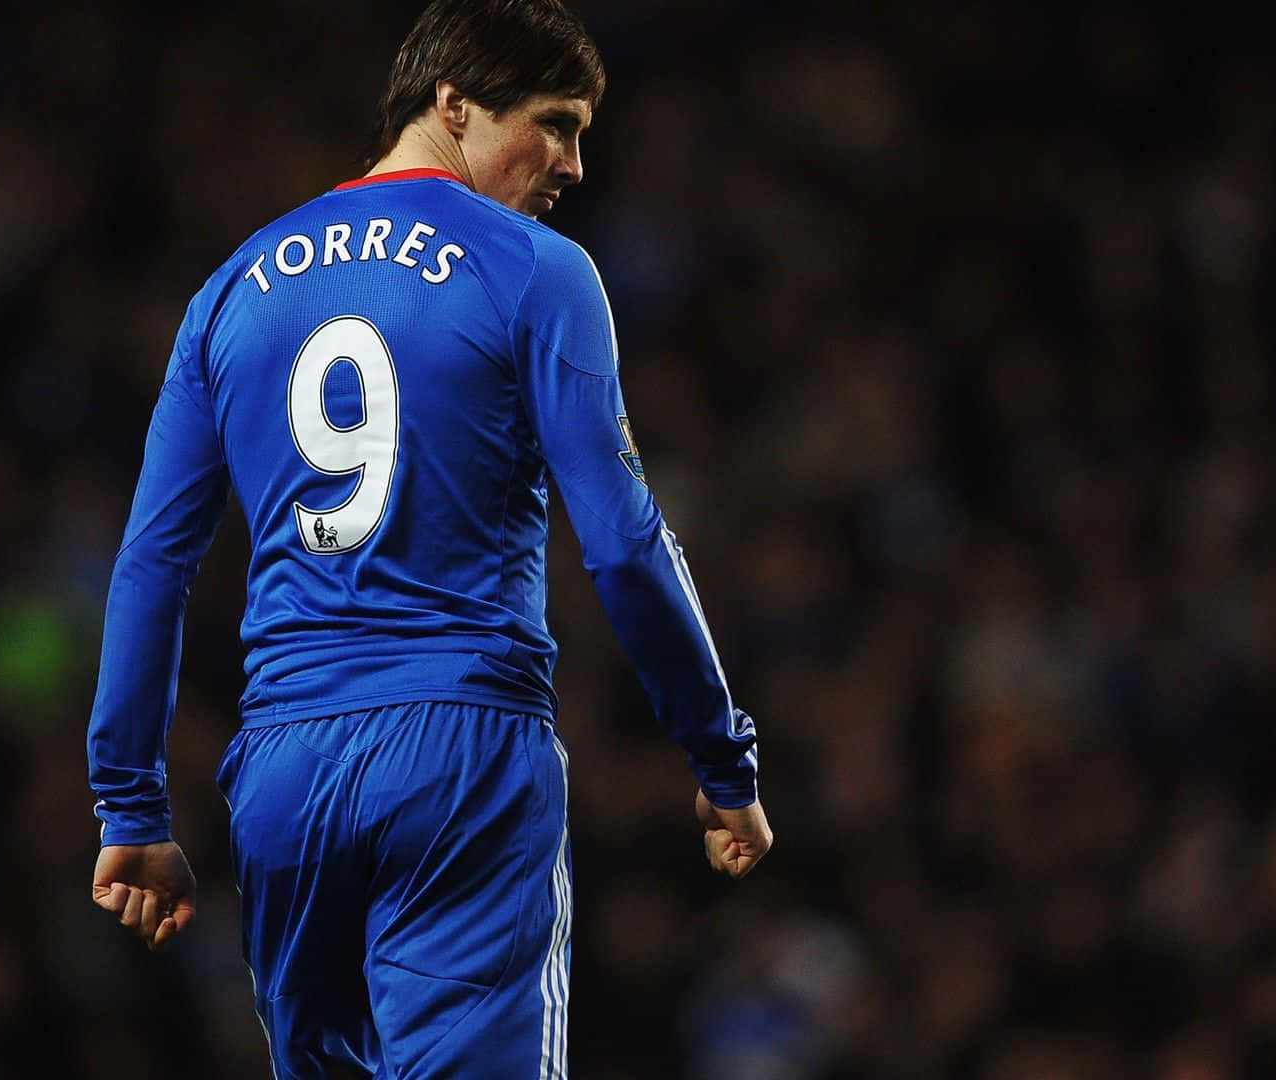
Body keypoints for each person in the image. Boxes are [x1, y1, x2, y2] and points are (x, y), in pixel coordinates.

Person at [84, 1, 772, 1075]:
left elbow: (152, 564)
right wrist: (720, 753)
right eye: (554, 123)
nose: (573, 165)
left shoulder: (229, 292)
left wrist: (129, 803)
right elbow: (627, 543)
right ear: (452, 102)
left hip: (285, 778)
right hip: (463, 757)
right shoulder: (538, 270)